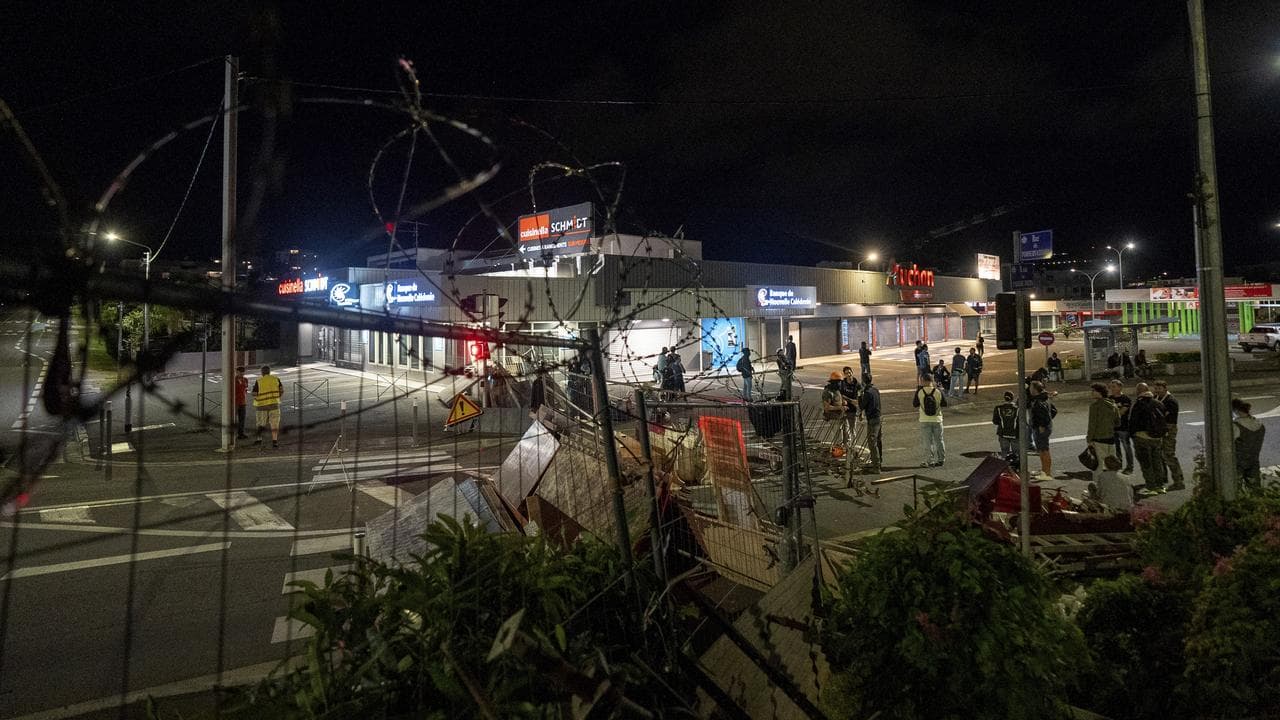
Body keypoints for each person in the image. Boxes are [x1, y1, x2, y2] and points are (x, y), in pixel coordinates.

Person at [1129, 382, 1168, 495]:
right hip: (1157, 438)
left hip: (1142, 437)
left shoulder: (1139, 404)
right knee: (1157, 462)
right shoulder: (1158, 403)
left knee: (1146, 463)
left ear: (1139, 391)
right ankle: (1160, 486)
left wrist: (1132, 435)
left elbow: (1133, 422)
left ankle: (1151, 487)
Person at [1152, 380, 1185, 491]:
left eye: (1159, 388)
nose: (1157, 391)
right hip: (1162, 429)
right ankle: (1177, 476)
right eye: (1156, 389)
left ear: (1165, 388)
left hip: (1169, 429)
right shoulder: (1157, 399)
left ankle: (1178, 482)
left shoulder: (1171, 401)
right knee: (1163, 454)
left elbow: (1162, 416)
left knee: (1168, 454)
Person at [913, 373, 948, 467]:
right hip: (937, 419)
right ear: (932, 381)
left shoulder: (920, 392)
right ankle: (941, 459)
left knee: (927, 441)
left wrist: (919, 389)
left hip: (924, 419)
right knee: (939, 440)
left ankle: (929, 461)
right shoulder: (938, 391)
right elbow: (945, 404)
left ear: (923, 381)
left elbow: (915, 404)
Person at [1086, 382, 1119, 482]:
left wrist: (1089, 439)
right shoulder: (1113, 404)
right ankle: (1113, 483)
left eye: (1093, 391)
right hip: (1111, 437)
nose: (1091, 393)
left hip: (1099, 438)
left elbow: (1092, 424)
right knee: (1112, 463)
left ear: (1099, 392)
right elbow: (1117, 421)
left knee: (1099, 464)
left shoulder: (1095, 406)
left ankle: (1098, 487)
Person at [1232, 398, 1265, 488]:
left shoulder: (1236, 426)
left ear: (1236, 411)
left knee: (1235, 488)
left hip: (1238, 462)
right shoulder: (1259, 424)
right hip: (1254, 460)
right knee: (1255, 488)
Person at [1028, 380, 1056, 480]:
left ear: (1035, 389)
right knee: (1041, 450)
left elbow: (1043, 415)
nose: (1029, 389)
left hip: (1041, 429)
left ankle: (1047, 473)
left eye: (1031, 388)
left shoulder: (1039, 401)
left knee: (1044, 450)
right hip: (1043, 427)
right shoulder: (1043, 398)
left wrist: (1042, 426)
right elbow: (1053, 411)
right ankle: (1044, 470)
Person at [252, 365, 284, 448]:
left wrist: (256, 397)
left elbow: (254, 393)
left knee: (260, 423)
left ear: (262, 372)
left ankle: (259, 439)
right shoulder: (276, 379)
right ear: (269, 372)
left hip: (261, 406)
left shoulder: (259, 381)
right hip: (274, 405)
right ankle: (274, 441)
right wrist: (277, 397)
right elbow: (281, 390)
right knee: (275, 424)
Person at [1107, 379, 1135, 474]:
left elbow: (1122, 412)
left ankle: (1130, 467)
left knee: (1127, 447)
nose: (1111, 389)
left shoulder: (1125, 399)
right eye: (1111, 387)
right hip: (1112, 427)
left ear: (1120, 387)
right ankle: (1118, 465)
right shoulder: (1109, 398)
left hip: (1123, 427)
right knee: (1116, 448)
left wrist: (1112, 415)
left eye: (1114, 387)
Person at [859, 375, 882, 473]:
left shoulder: (867, 393)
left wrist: (860, 396)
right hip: (878, 417)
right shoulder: (875, 390)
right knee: (878, 440)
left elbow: (862, 405)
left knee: (872, 443)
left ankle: (876, 466)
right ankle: (879, 461)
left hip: (872, 419)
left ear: (863, 381)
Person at [992, 391, 1019, 461]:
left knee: (1004, 453)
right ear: (1013, 398)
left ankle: (1005, 469)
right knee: (1016, 454)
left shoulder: (998, 408)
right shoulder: (1017, 409)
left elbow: (995, 421)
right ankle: (1016, 469)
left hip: (1003, 433)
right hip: (1015, 433)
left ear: (1004, 398)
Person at [234, 366, 249, 439]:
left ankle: (241, 433)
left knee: (242, 419)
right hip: (235, 402)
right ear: (237, 372)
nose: (241, 374)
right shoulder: (233, 380)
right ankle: (231, 434)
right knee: (233, 418)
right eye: (240, 372)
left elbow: (245, 389)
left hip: (243, 402)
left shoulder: (245, 379)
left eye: (243, 372)